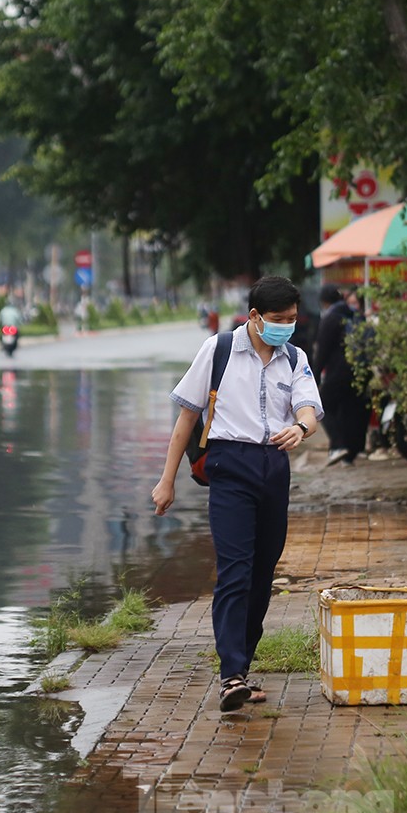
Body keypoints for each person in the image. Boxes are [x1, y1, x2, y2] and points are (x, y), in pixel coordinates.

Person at [151, 275, 323, 712]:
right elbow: (187, 418)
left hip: (273, 467)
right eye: (279, 319)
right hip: (229, 466)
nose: (288, 325)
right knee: (235, 570)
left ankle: (241, 666)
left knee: (262, 571)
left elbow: (308, 406)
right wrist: (166, 480)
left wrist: (300, 427)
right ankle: (230, 675)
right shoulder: (219, 350)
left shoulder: (294, 357)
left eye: (293, 318)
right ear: (254, 316)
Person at [311, 285, 367, 465]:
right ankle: (351, 453)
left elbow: (322, 351)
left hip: (339, 371)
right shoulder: (354, 315)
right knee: (350, 410)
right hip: (359, 370)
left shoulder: (330, 318)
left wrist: (315, 375)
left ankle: (338, 446)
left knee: (322, 404)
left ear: (324, 302)